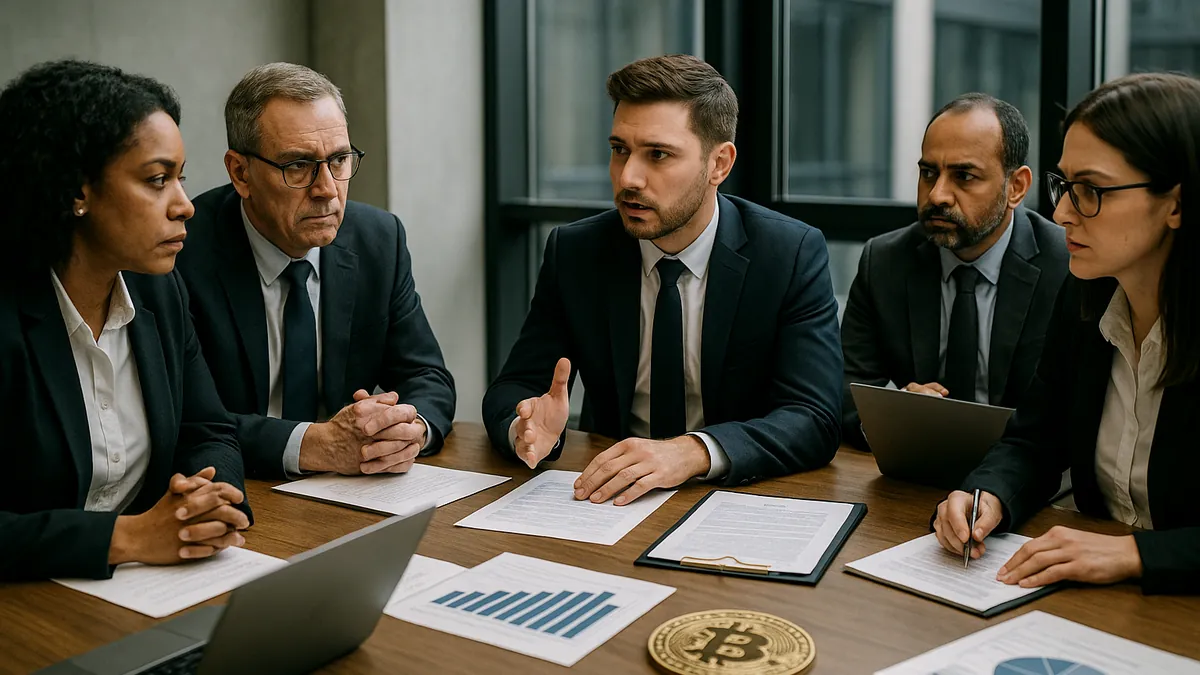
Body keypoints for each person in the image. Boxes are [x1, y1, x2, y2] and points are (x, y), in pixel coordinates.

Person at [482, 54, 843, 505]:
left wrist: (693, 452)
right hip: (606, 500)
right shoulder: (576, 252)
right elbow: (512, 389)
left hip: (736, 499)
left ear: (720, 164)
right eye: (619, 150)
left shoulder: (788, 253)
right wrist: (526, 425)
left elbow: (814, 417)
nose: (628, 178)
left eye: (658, 155)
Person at [932, 72, 1200, 595]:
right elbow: (1036, 438)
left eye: (1091, 191)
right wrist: (988, 493)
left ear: (1176, 203)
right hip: (1097, 601)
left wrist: (1136, 553)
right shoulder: (1088, 295)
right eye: (1064, 185)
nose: (1061, 213)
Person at [0, 60, 251, 581]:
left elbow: (208, 430)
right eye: (157, 180)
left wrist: (210, 497)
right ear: (76, 191)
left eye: (181, 178)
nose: (185, 206)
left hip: (149, 588)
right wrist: (128, 537)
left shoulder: (158, 288)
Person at [177, 63, 455, 480]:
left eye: (339, 160)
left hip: (351, 489)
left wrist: (409, 431)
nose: (327, 189)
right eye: (298, 166)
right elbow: (183, 419)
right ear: (240, 172)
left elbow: (426, 375)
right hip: (240, 487)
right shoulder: (184, 253)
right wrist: (314, 445)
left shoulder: (378, 240)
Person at [840, 93, 1069, 450]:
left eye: (964, 176)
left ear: (1017, 187)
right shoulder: (885, 261)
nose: (938, 195)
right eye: (928, 173)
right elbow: (845, 390)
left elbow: (1070, 415)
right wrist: (897, 413)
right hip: (914, 467)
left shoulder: (1065, 266)